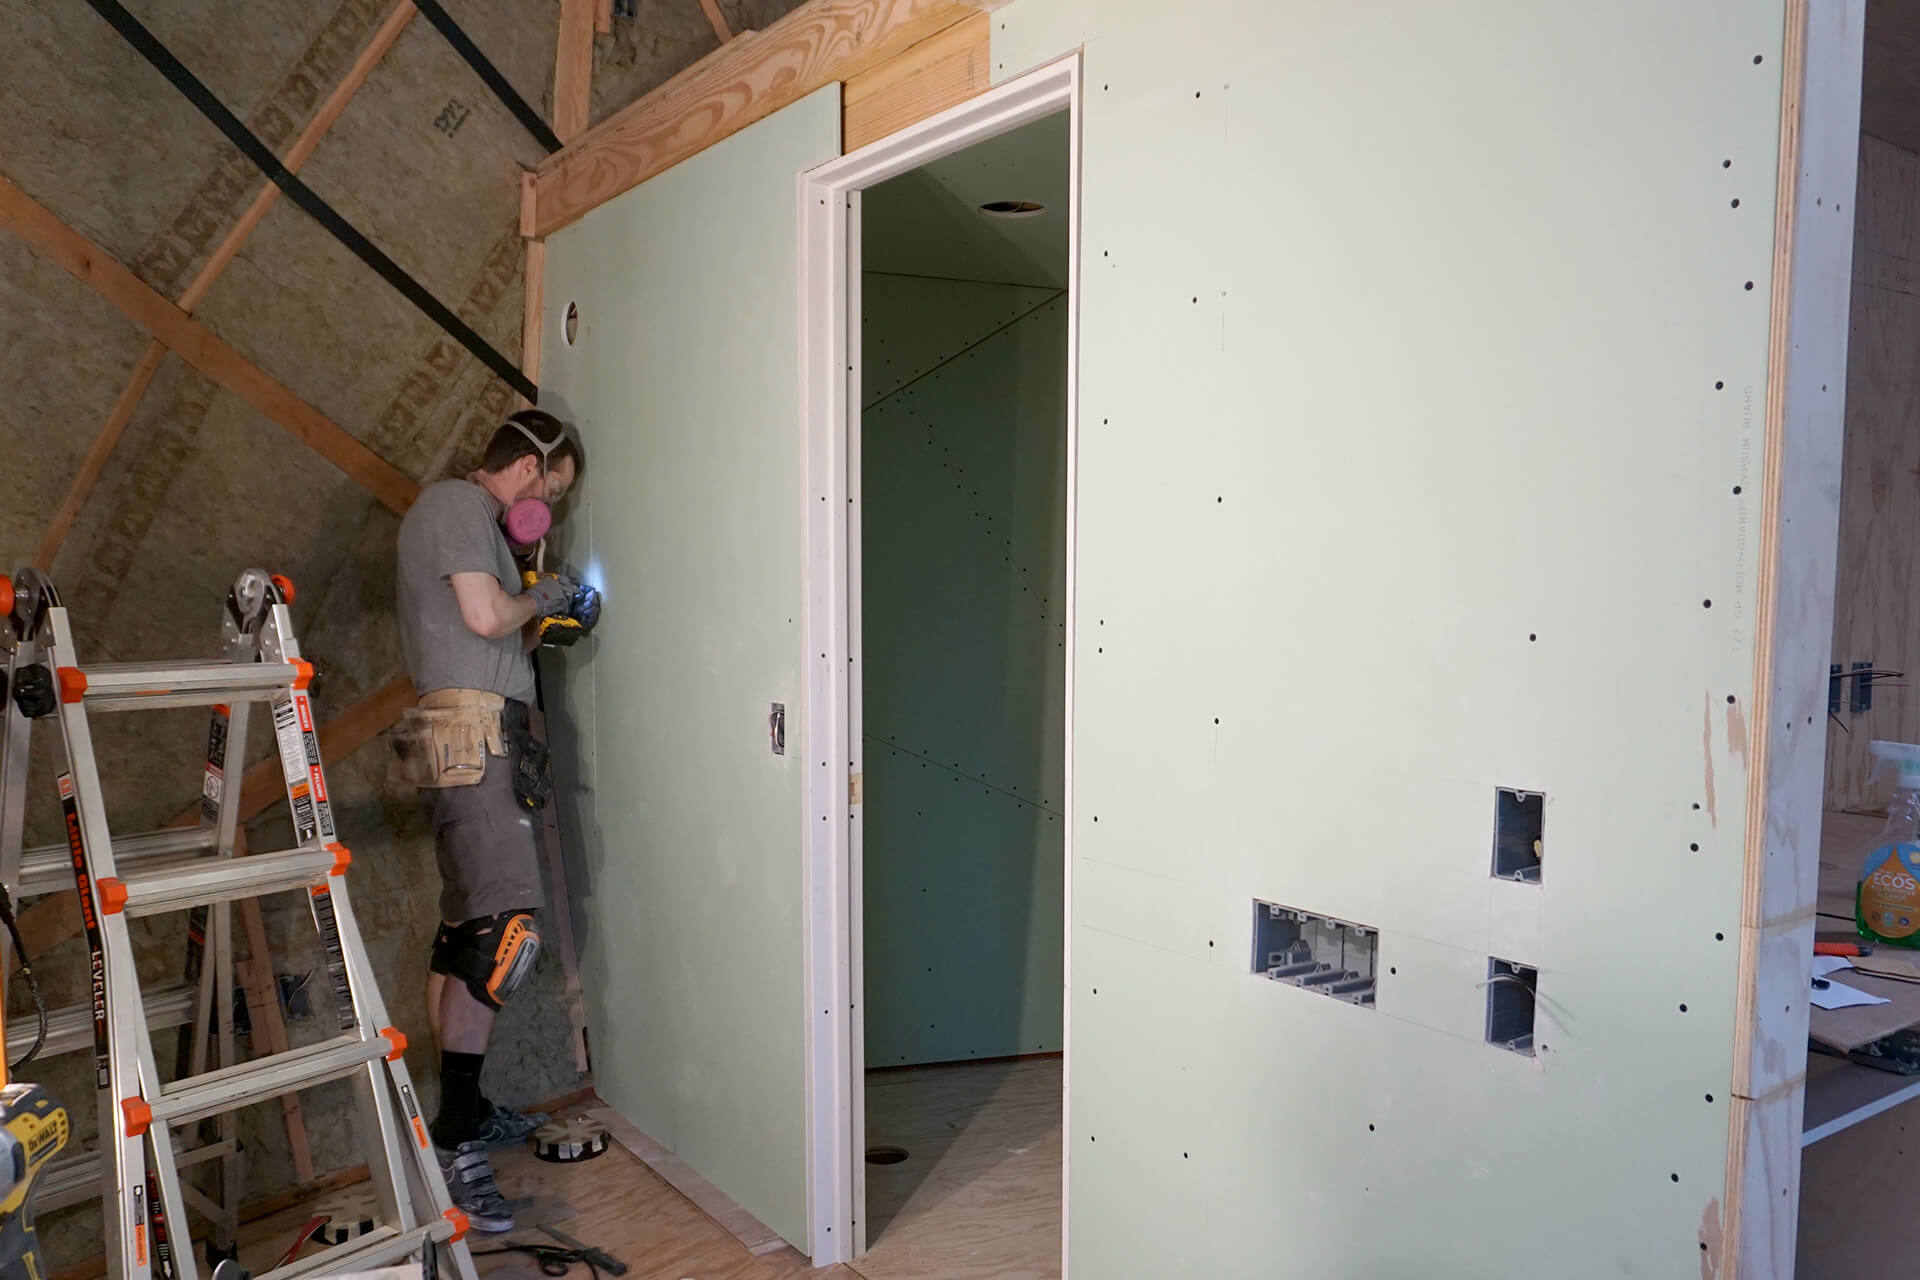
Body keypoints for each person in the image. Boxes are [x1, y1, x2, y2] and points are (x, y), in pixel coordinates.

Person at [392, 407, 596, 1231]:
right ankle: (455, 1143)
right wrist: (541, 590)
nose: (551, 504)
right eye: (555, 487)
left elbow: (486, 630)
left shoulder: (467, 527)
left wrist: (541, 617)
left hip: (467, 733)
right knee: (504, 934)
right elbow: (483, 617)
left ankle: (462, 1116)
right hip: (470, 736)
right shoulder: (456, 506)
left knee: (463, 931)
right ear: (527, 469)